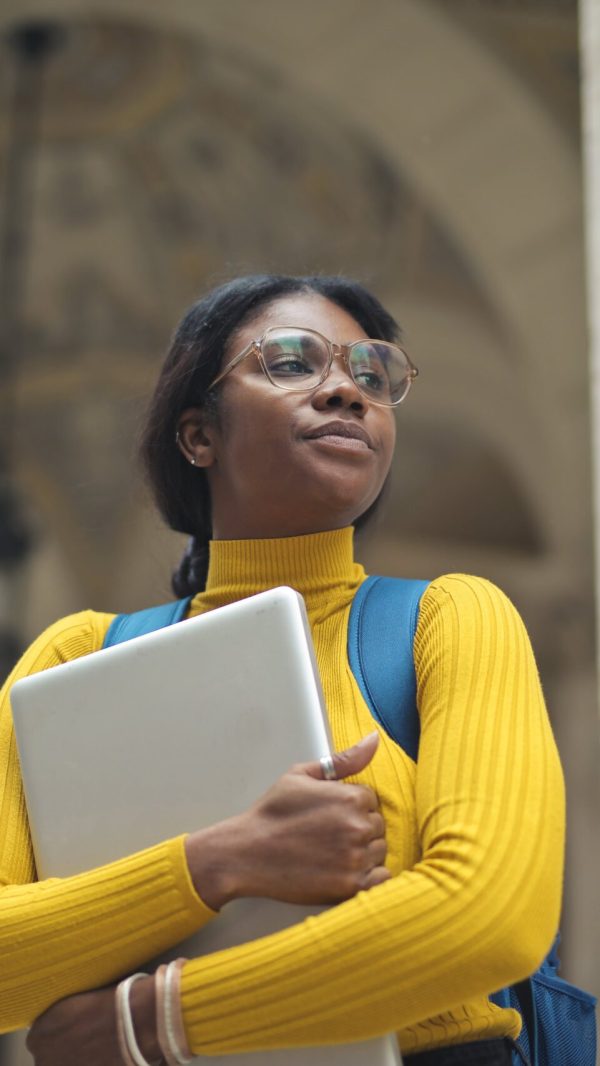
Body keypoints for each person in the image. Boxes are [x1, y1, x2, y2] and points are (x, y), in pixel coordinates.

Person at [0, 275, 564, 1066]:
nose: (346, 390)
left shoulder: (451, 618)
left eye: (372, 374)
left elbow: (490, 920)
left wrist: (152, 1020)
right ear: (199, 434)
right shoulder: (76, 656)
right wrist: (222, 859)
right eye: (292, 363)